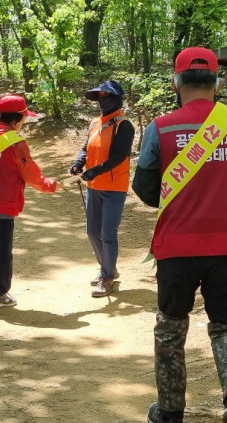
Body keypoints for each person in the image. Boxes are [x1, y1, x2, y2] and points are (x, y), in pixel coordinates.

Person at [132, 47, 227, 423]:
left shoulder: (161, 128)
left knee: (171, 327)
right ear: (218, 83)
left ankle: (171, 416)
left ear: (175, 84)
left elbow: (145, 189)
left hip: (176, 246)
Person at [0, 94, 59, 309]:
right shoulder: (16, 142)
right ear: (16, 119)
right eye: (24, 118)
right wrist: (49, 185)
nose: (24, 122)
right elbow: (29, 172)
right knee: (1, 251)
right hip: (2, 205)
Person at [69, 80, 135, 298]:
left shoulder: (124, 125)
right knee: (92, 232)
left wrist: (96, 171)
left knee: (107, 233)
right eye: (100, 96)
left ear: (118, 99)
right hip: (94, 187)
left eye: (107, 96)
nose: (103, 100)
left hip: (114, 187)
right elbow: (85, 148)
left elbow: (120, 156)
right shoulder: (94, 123)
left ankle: (107, 277)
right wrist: (78, 163)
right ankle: (108, 267)